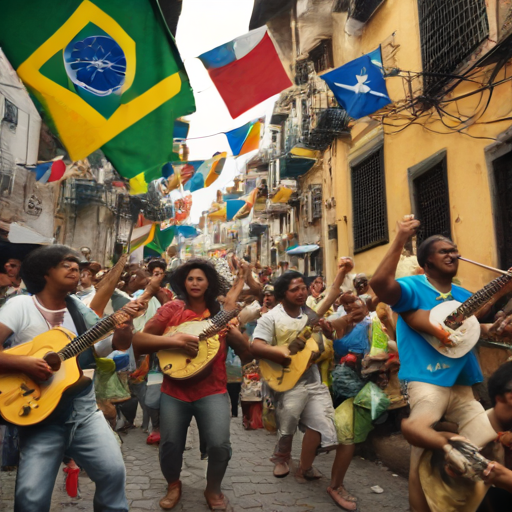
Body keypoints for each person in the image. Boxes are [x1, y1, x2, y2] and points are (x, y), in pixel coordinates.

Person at [370, 220, 499, 512]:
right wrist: (401, 237)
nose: (453, 255)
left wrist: (496, 320)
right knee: (422, 445)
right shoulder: (412, 287)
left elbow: (474, 328)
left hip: (463, 382)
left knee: (489, 445)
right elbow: (379, 284)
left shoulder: (464, 295)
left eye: (455, 250)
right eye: (444, 251)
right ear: (427, 262)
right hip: (426, 380)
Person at [0, 245, 137, 512]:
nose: (75, 268)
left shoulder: (82, 311)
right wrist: (25, 363)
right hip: (41, 413)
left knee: (112, 473)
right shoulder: (20, 306)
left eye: (77, 264)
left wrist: (125, 329)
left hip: (84, 411)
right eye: (65, 264)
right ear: (45, 273)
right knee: (30, 498)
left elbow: (99, 349)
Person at [132, 259, 251, 511]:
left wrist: (235, 333)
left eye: (200, 278)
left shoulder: (221, 312)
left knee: (220, 443)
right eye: (190, 279)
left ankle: (213, 488)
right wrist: (174, 342)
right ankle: (173, 484)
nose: (195, 283)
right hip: (175, 390)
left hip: (213, 389)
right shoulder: (173, 308)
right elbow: (140, 341)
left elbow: (245, 352)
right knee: (170, 443)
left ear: (209, 283)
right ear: (183, 282)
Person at [251, 270, 358, 511]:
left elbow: (330, 297)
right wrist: (280, 354)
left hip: (313, 379)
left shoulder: (310, 315)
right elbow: (256, 345)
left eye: (303, 287)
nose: (301, 292)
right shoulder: (271, 318)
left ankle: (305, 467)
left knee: (325, 427)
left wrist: (341, 272)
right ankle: (281, 457)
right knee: (288, 422)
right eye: (294, 289)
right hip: (284, 380)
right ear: (282, 295)